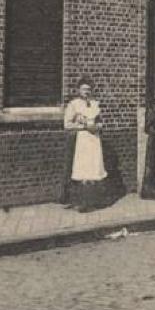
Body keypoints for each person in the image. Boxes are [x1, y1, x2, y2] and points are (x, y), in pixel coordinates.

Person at [62, 78, 121, 212]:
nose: (86, 92)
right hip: (82, 140)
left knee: (94, 169)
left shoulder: (95, 104)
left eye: (88, 89)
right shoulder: (74, 104)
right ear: (79, 90)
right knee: (83, 170)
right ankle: (82, 202)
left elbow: (100, 121)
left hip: (94, 140)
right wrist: (83, 126)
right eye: (84, 89)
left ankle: (94, 201)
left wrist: (97, 126)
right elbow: (67, 125)